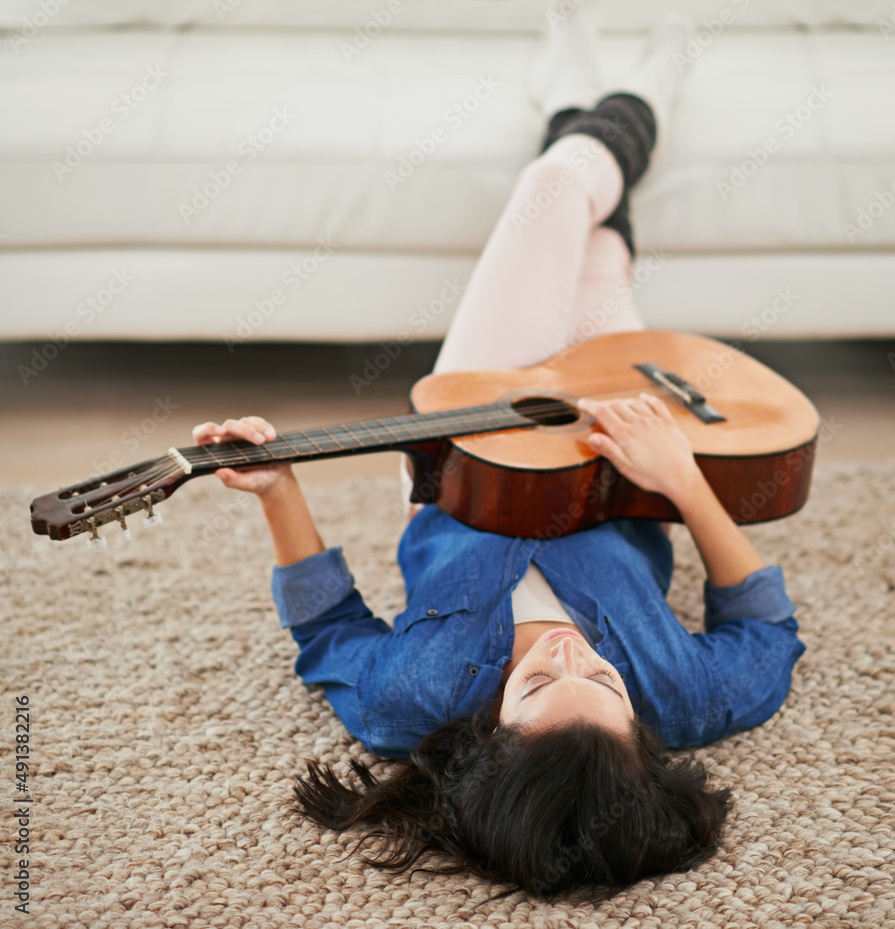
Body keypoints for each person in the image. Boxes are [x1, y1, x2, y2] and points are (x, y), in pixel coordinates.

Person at [190, 10, 806, 900]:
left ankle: (622, 97)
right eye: (601, 675)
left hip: (463, 459)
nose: (566, 650)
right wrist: (681, 478)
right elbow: (767, 630)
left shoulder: (409, 704)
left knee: (558, 197)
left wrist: (278, 490)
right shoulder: (688, 697)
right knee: (595, 250)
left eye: (538, 683)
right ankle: (596, 94)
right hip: (608, 445)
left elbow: (328, 629)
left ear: (484, 733)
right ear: (640, 729)